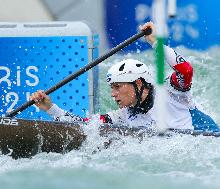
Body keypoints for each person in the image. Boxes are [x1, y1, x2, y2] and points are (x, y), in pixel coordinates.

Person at [30, 22, 219, 131]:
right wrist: (50, 108)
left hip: (209, 143)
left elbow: (185, 70)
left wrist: (154, 42)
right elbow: (87, 126)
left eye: (117, 87)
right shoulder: (123, 115)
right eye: (112, 88)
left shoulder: (171, 91)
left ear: (138, 83)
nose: (113, 94)